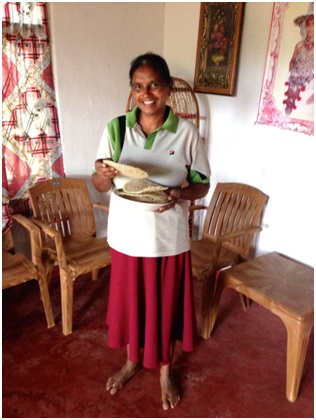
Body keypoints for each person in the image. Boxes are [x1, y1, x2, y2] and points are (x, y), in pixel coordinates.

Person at [92, 53, 211, 410]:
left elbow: (201, 185)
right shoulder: (115, 128)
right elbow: (100, 184)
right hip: (128, 236)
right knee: (132, 303)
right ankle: (131, 361)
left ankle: (164, 371)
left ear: (168, 88)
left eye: (154, 85)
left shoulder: (187, 133)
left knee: (165, 306)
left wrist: (180, 193)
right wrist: (103, 173)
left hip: (167, 239)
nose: (147, 94)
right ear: (132, 91)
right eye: (138, 86)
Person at [283, 13, 314, 115]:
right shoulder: (299, 45)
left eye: (313, 24)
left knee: (304, 107)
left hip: (309, 82)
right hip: (295, 79)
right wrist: (290, 75)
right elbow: (292, 61)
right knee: (289, 108)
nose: (310, 27)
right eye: (308, 24)